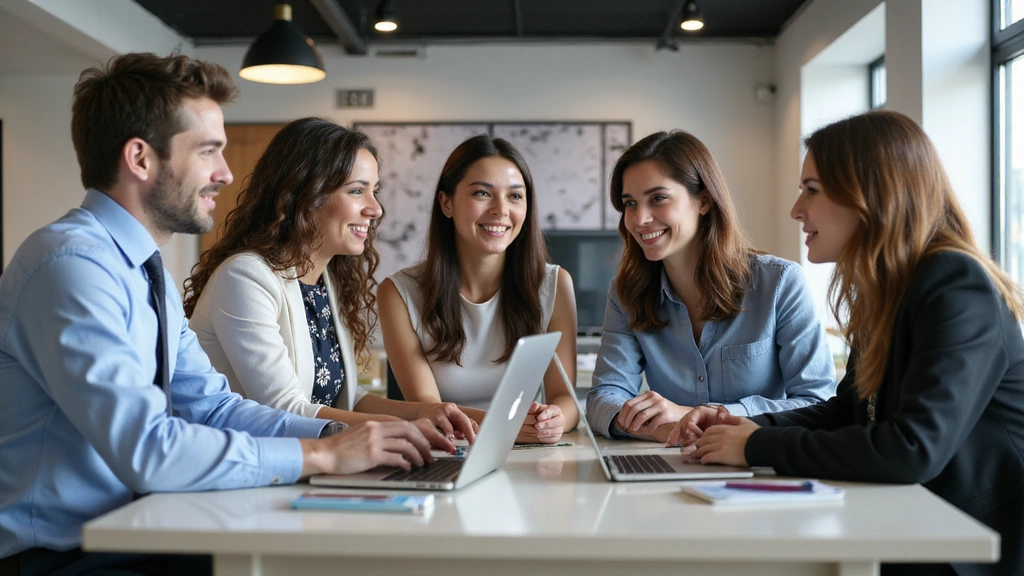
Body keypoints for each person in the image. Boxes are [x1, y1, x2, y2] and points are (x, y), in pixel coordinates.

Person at [0, 53, 445, 576]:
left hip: (141, 527)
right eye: (208, 151)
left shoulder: (144, 271)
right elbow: (148, 449)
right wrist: (321, 458)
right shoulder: (71, 266)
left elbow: (212, 407)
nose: (225, 173)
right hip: (59, 555)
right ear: (141, 159)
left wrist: (338, 439)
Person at [669, 111, 1024, 576]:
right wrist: (741, 424)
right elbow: (847, 412)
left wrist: (757, 446)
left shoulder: (955, 283)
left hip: (969, 549)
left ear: (871, 194)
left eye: (812, 190)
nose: (797, 209)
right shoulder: (890, 289)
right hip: (910, 526)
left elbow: (912, 450)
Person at [184, 118, 476, 441]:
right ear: (306, 195)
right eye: (357, 191)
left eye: (374, 191)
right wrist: (402, 429)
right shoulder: (245, 277)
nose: (375, 209)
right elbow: (285, 410)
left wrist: (426, 412)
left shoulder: (326, 281)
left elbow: (347, 401)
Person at [586, 130, 835, 442]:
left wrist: (705, 415)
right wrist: (677, 430)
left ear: (703, 200)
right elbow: (602, 400)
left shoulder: (779, 283)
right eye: (630, 203)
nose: (640, 218)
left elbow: (817, 402)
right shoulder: (625, 293)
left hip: (758, 468)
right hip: (672, 464)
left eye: (658, 199)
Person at [378, 134, 580, 444]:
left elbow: (565, 400)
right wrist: (507, 424)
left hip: (531, 456)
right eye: (483, 193)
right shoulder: (399, 293)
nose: (501, 210)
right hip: (450, 451)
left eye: (515, 196)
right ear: (446, 203)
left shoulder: (554, 285)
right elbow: (429, 409)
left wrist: (554, 420)